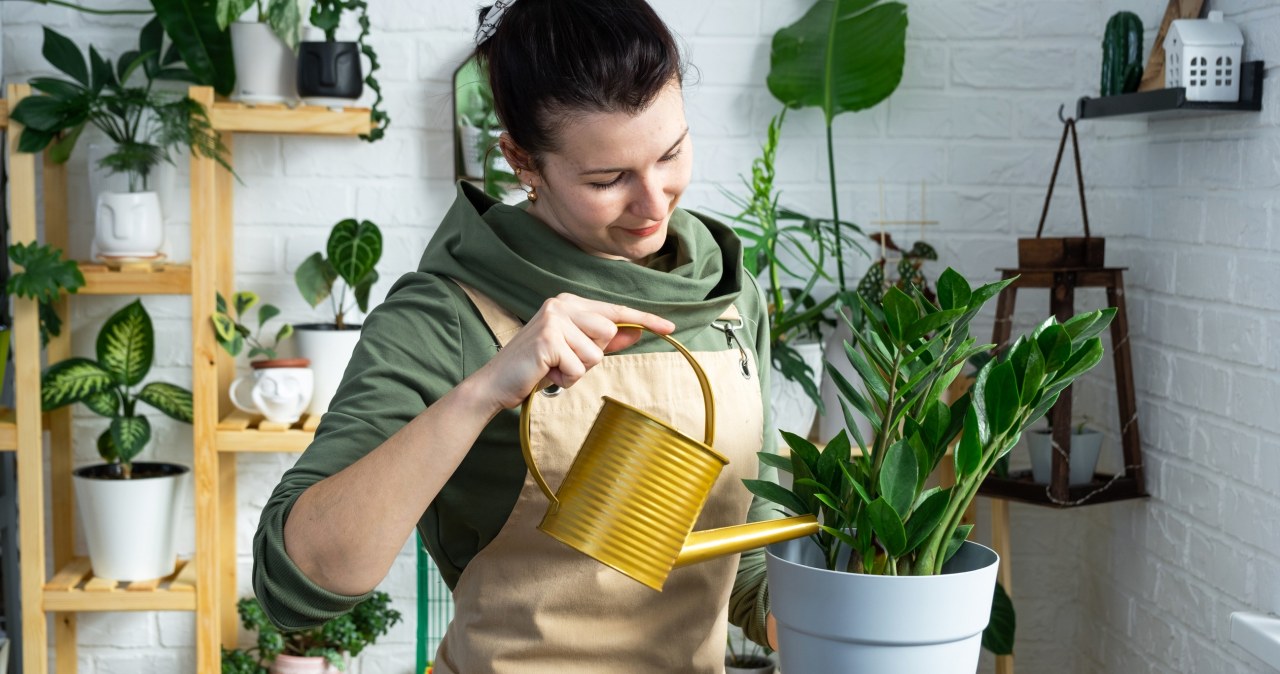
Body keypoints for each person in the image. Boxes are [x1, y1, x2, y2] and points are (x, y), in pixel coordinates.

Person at [252, 1, 782, 671]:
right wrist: (483, 393)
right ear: (523, 161)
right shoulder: (445, 313)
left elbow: (746, 551)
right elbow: (296, 583)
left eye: (670, 153)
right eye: (607, 179)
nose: (654, 202)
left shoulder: (728, 300)